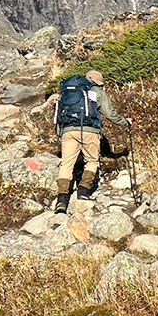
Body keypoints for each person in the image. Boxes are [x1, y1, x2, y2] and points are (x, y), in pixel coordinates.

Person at [53, 69, 129, 212]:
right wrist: (125, 122)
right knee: (92, 161)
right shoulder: (95, 91)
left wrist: (61, 133)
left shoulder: (67, 92)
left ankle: (61, 201)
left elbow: (58, 115)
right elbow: (109, 112)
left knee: (66, 164)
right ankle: (83, 192)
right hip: (89, 131)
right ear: (98, 83)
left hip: (68, 131)